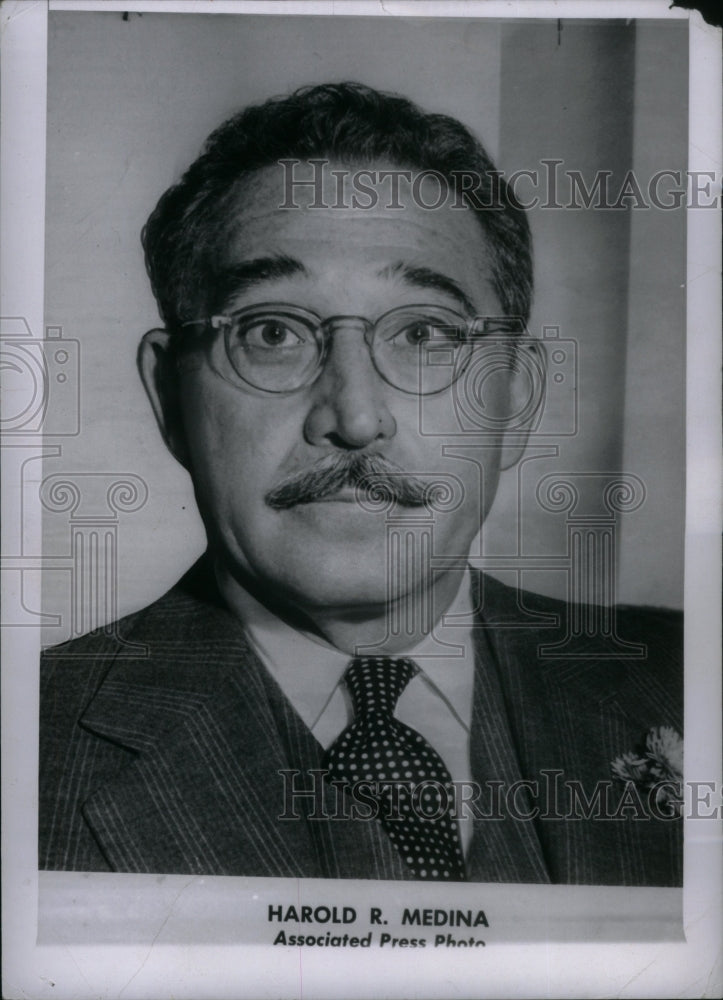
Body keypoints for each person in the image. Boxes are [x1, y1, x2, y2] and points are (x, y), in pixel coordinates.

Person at [39, 82, 683, 885]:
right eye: (272, 332)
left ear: (516, 400)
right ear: (172, 397)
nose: (353, 415)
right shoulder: (26, 743)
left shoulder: (690, 685)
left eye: (423, 332)